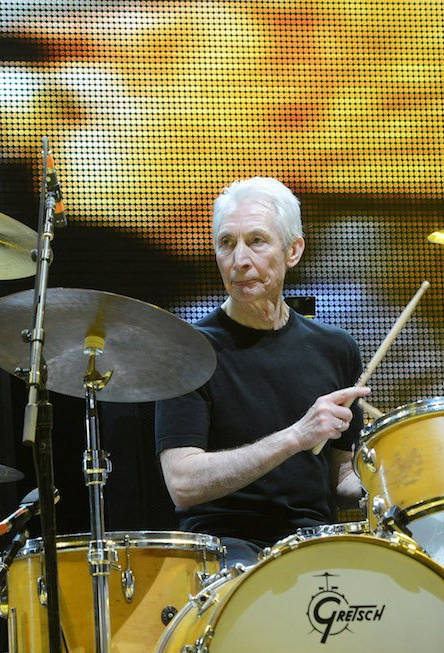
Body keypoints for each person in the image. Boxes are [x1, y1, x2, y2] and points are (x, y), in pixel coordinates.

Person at [155, 177, 370, 566]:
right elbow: (182, 483)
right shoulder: (187, 351)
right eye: (226, 243)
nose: (239, 260)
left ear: (293, 250)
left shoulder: (337, 348)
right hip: (223, 547)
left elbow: (340, 479)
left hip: (314, 542)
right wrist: (296, 437)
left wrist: (391, 489)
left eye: (256, 241)